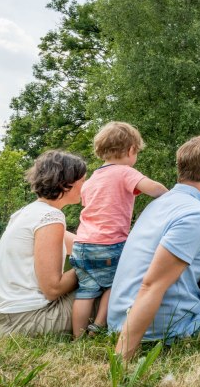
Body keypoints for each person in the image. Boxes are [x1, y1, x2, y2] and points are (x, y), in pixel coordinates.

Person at [108, 135, 200, 359]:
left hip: (118, 319)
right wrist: (120, 361)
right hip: (160, 328)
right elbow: (152, 284)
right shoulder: (197, 213)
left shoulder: (157, 204)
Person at [70, 122, 168, 338]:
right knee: (115, 283)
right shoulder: (125, 172)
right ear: (131, 150)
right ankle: (97, 326)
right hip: (109, 244)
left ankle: (77, 338)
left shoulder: (92, 179)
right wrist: (170, 196)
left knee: (85, 291)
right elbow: (154, 189)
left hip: (82, 244)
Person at [0, 150, 86, 337]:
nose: (86, 186)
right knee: (104, 285)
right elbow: (53, 289)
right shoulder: (51, 217)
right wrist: (92, 266)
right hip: (26, 322)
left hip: (1, 322)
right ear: (66, 183)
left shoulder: (27, 213)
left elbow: (82, 246)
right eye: (83, 180)